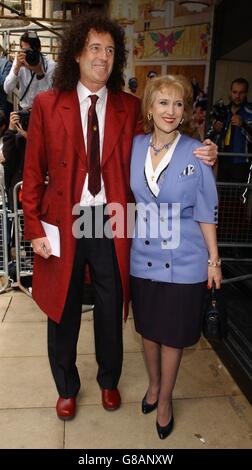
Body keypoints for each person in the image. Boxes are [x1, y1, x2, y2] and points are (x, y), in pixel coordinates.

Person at [22, 14, 217, 422]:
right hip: (64, 221)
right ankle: (67, 387)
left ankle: (109, 380)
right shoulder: (46, 104)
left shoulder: (129, 107)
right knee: (64, 310)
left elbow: (166, 137)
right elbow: (31, 172)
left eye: (110, 50)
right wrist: (35, 228)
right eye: (94, 48)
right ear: (76, 54)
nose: (103, 57)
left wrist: (203, 154)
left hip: (112, 220)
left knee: (112, 308)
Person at [130, 75, 222, 439]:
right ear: (150, 108)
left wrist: (214, 260)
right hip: (142, 257)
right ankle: (153, 385)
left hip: (185, 260)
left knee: (172, 336)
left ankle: (165, 399)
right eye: (163, 103)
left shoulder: (197, 151)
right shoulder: (134, 146)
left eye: (179, 104)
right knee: (149, 332)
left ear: (185, 111)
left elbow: (205, 210)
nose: (171, 111)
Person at [212, 78, 252, 182]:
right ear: (230, 92)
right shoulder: (223, 111)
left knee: (239, 197)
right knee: (222, 196)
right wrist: (215, 128)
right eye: (235, 92)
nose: (237, 96)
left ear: (246, 93)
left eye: (241, 93)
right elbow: (209, 136)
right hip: (223, 161)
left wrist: (243, 124)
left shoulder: (250, 112)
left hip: (242, 162)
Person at [4, 31, 55, 110]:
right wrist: (16, 68)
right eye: (25, 51)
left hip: (44, 111)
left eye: (31, 51)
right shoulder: (19, 62)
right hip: (25, 110)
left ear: (39, 49)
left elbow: (50, 94)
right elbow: (7, 89)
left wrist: (39, 72)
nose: (28, 55)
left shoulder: (50, 66)